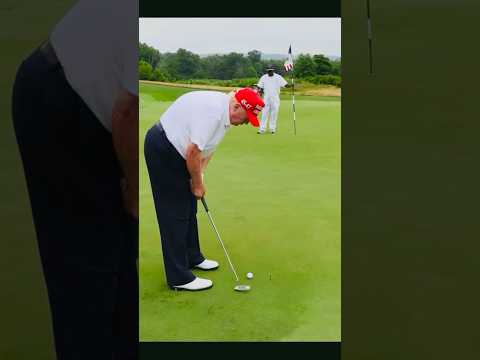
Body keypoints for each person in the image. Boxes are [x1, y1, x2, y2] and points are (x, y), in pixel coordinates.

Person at [11, 0, 138, 359]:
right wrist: (134, 189)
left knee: (127, 260)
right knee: (84, 272)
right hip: (59, 99)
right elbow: (127, 113)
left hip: (107, 100)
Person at [144, 88, 264, 291]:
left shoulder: (226, 115)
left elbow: (207, 150)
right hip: (164, 149)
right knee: (174, 212)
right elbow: (193, 151)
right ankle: (179, 277)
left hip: (180, 151)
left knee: (189, 206)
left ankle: (192, 257)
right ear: (237, 106)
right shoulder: (213, 113)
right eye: (247, 117)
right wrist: (198, 184)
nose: (246, 123)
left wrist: (199, 177)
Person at [256, 65, 289, 134]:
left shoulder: (278, 77)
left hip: (275, 98)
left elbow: (285, 85)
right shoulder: (264, 77)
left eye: (270, 71)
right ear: (267, 71)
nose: (269, 72)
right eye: (268, 71)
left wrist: (291, 86)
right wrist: (260, 93)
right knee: (264, 113)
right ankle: (262, 129)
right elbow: (260, 87)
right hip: (266, 98)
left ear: (273, 70)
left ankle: (272, 129)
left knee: (274, 113)